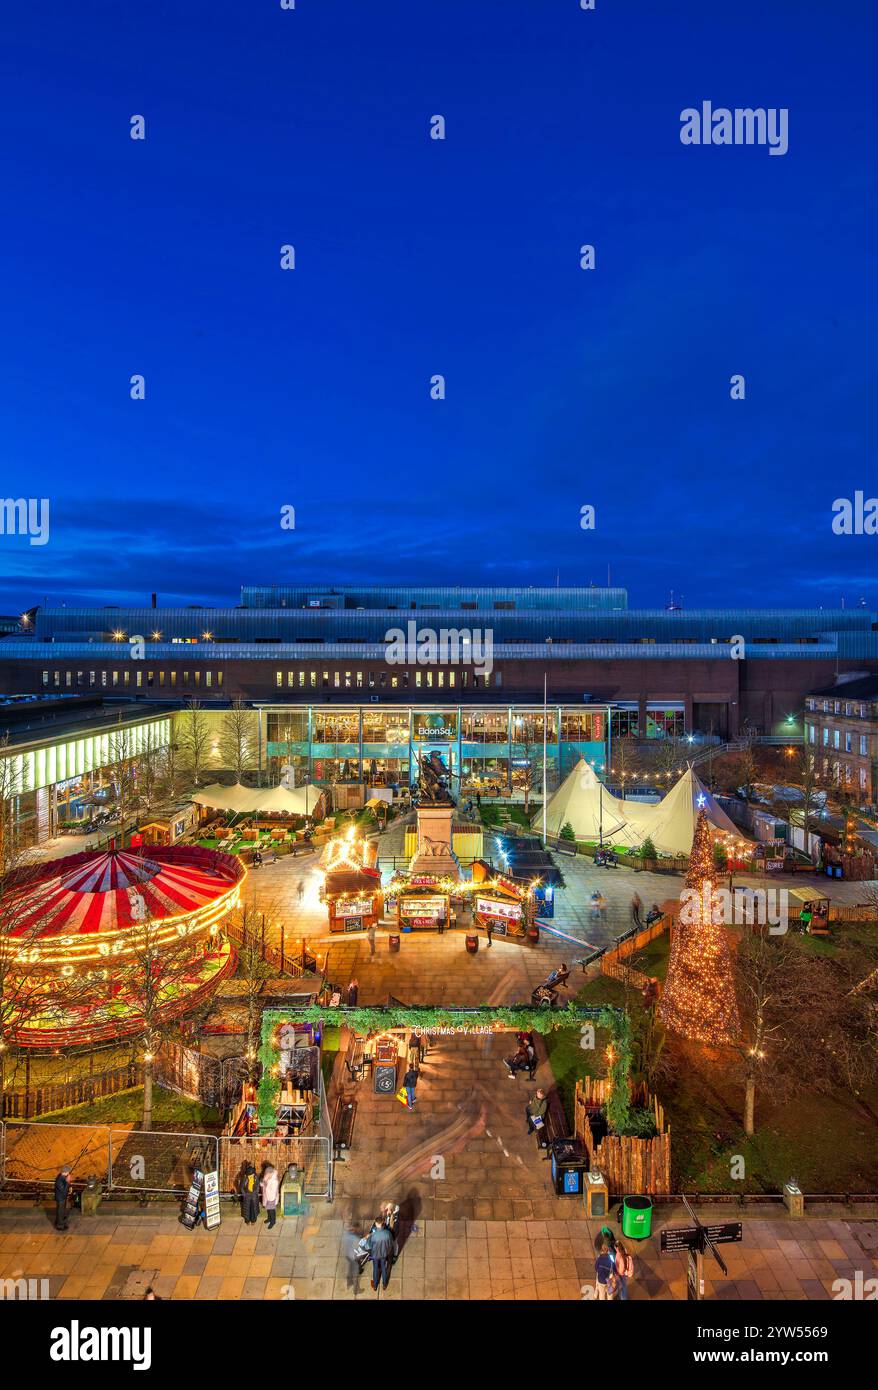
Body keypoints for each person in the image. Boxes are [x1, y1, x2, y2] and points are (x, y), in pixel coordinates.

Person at [369, 1218, 394, 1291]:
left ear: (376, 1224)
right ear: (382, 1223)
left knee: (375, 1268)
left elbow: (369, 1245)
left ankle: (375, 1285)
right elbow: (391, 1244)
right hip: (383, 1254)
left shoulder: (373, 1235)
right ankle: (384, 1284)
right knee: (383, 1267)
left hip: (375, 1255)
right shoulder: (387, 1233)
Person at [260, 1164, 279, 1230]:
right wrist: (262, 1183)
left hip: (271, 1198)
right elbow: (263, 1185)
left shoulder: (274, 1180)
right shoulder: (267, 1177)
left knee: (272, 1210)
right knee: (268, 1209)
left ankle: (273, 1221)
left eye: (267, 1173)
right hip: (267, 1197)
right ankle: (269, 1218)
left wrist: (270, 1199)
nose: (266, 1174)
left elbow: (273, 1191)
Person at [54, 1165, 71, 1232]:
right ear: (65, 1172)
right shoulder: (59, 1180)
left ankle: (58, 1221)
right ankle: (60, 1226)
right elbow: (64, 1190)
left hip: (62, 1197)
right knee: (60, 1211)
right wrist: (67, 1182)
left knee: (61, 1210)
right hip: (61, 1198)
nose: (68, 1173)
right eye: (68, 1172)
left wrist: (69, 1184)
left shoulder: (62, 1176)